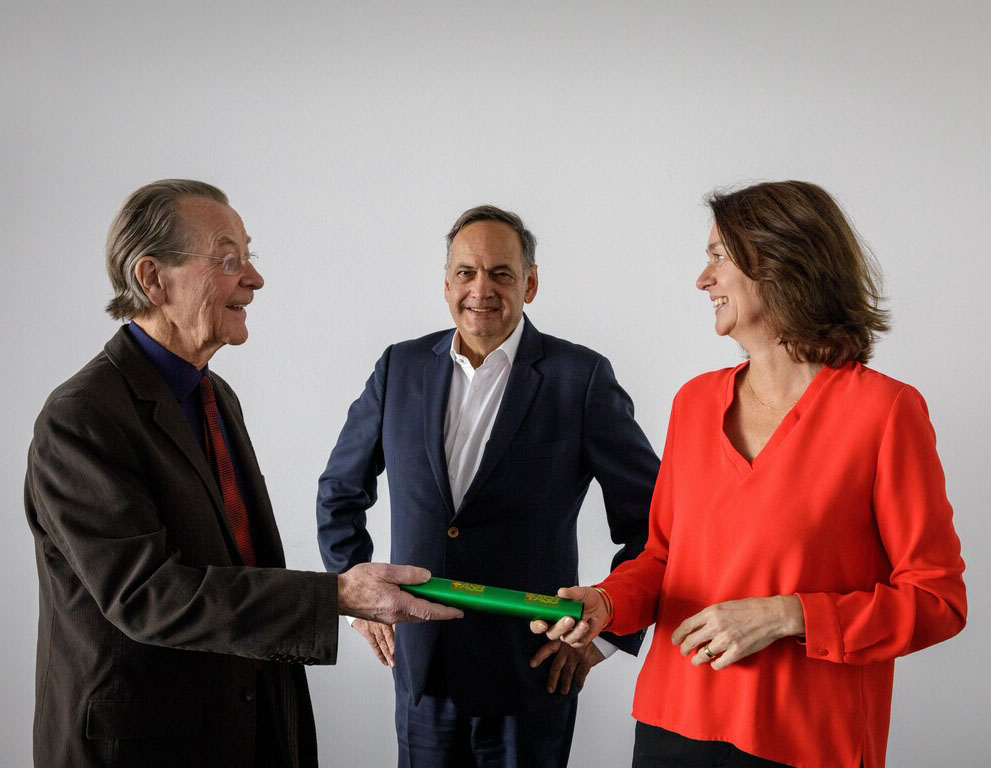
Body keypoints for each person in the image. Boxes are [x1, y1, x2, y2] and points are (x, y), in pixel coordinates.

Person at [24, 179, 461, 768]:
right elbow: (148, 595)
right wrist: (336, 595)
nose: (254, 280)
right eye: (228, 259)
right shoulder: (81, 418)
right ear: (153, 279)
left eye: (249, 257)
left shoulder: (215, 396)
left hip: (248, 731)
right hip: (146, 746)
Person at [533, 181, 967, 768]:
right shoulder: (694, 402)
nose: (702, 279)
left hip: (805, 741)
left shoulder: (884, 412)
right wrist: (606, 602)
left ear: (781, 262)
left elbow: (937, 600)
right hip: (672, 727)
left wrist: (791, 615)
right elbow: (663, 561)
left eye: (718, 256)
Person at [316, 204, 659, 766]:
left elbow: (654, 520)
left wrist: (602, 636)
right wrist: (358, 605)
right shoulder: (399, 368)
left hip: (532, 671)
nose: (481, 289)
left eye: (501, 273)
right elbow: (339, 492)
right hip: (423, 670)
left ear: (530, 283)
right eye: (466, 273)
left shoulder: (580, 378)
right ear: (446, 283)